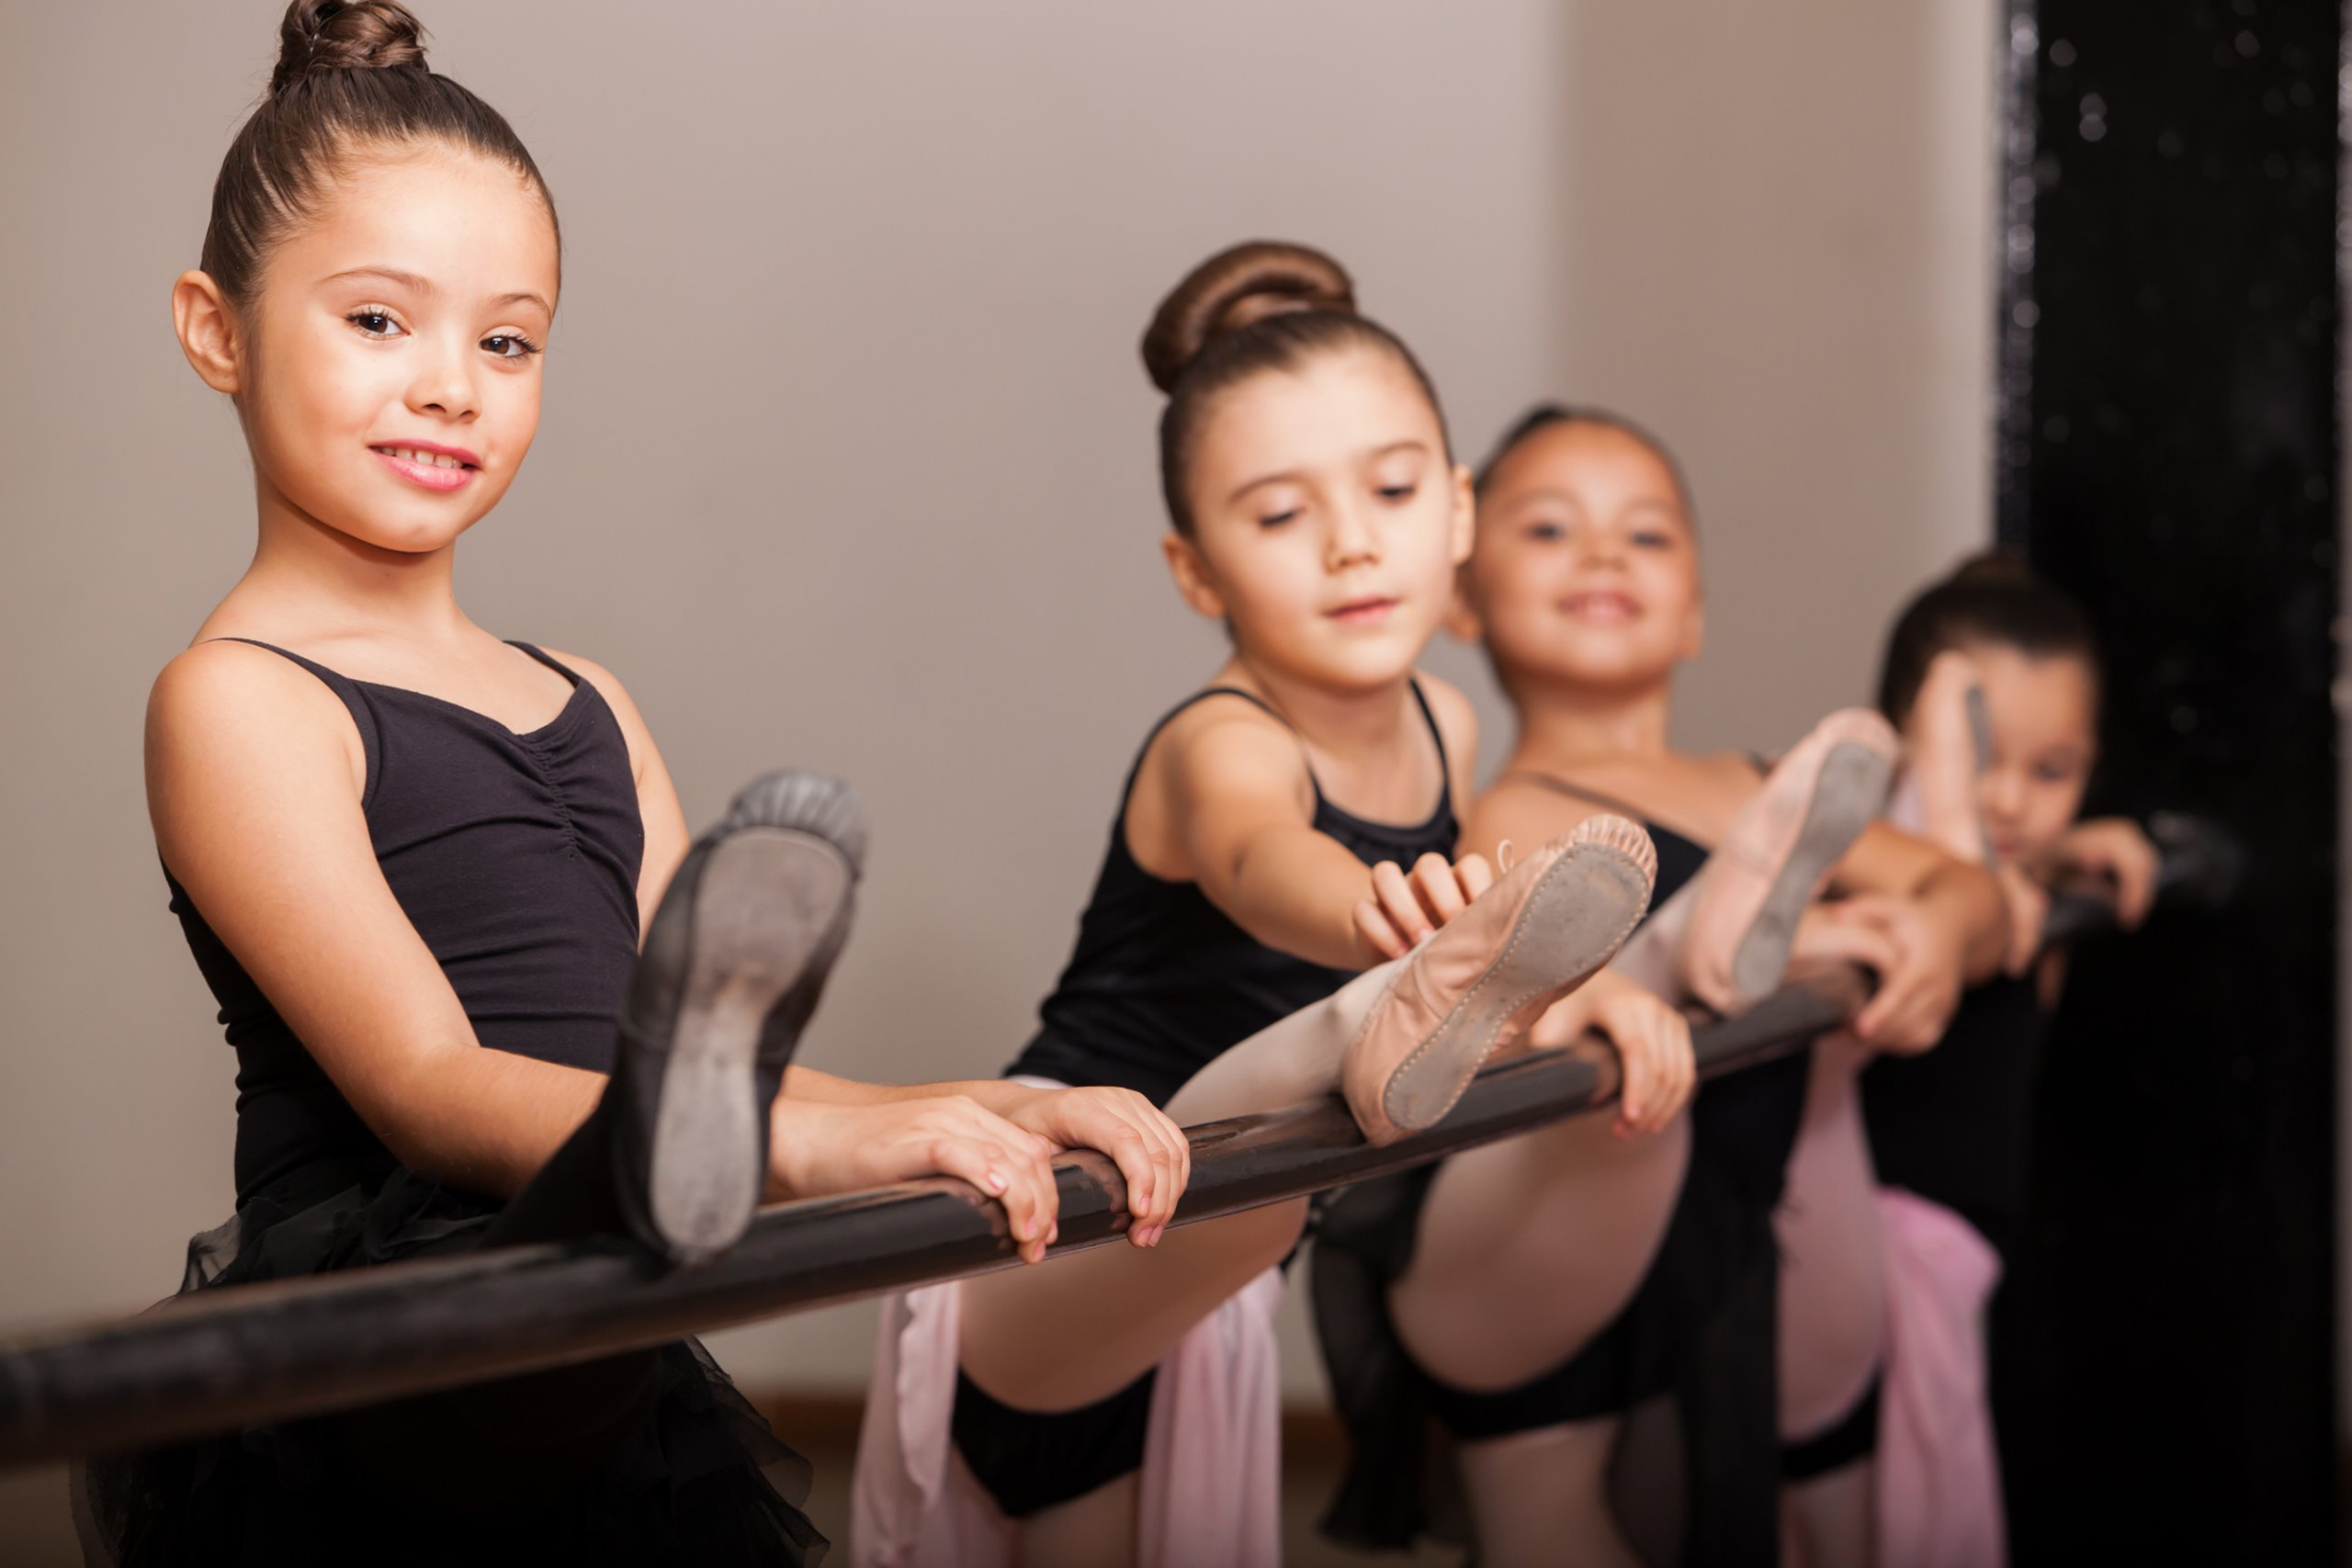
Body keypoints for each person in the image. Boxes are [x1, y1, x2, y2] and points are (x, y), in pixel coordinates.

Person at [85, 6, 1185, 1562]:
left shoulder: (589, 701)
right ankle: (642, 1194)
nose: (453, 385)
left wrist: (971, 1104)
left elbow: (719, 1092)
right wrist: (791, 1142)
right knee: (571, 1225)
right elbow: (433, 1088)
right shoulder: (241, 699)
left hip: (619, 1290)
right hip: (402, 1314)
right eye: (380, 321)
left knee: (690, 1115)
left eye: (509, 338)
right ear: (217, 329)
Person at [851, 243, 1675, 1568]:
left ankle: (1387, 1020)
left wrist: (1610, 986)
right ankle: (1373, 1020)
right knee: (1295, 1137)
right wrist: (1384, 921)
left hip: (1207, 1276)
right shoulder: (1221, 741)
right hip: (1062, 1233)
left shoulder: (1447, 721)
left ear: (1458, 509)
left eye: (1394, 489)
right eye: (1282, 516)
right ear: (1196, 570)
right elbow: (1258, 858)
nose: (1353, 542)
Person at [1329, 404, 2006, 1567]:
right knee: (1548, 1508)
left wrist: (1942, 932)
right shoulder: (1504, 811)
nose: (1601, 554)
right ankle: (1701, 939)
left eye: (1644, 536)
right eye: (1549, 530)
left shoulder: (1765, 785)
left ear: (1693, 611)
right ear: (1464, 603)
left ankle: (1734, 936)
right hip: (1560, 1224)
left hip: (1748, 1210)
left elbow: (1970, 891)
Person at [1865, 554, 2156, 1568]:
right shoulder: (1892, 857)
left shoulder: (2017, 877)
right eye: (1972, 752)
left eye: (2051, 771)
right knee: (1909, 1497)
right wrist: (1983, 859)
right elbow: (1946, 881)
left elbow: (2007, 867)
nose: (2007, 798)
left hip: (1962, 1245)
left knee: (1935, 1473)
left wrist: (2069, 855)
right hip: (1883, 1239)